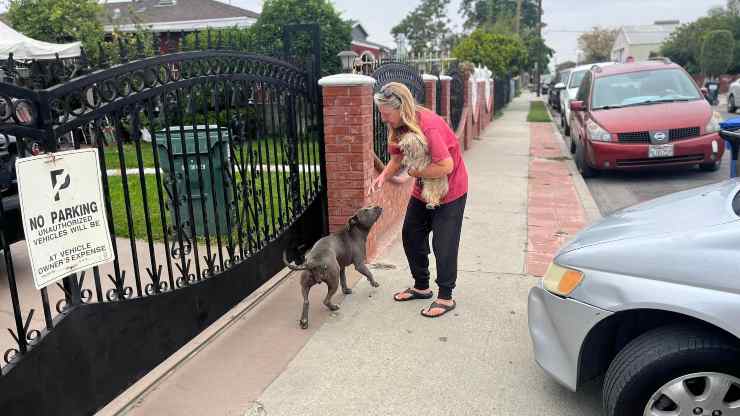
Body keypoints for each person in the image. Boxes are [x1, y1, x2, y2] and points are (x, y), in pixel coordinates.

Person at [368, 82, 468, 318]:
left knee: (444, 244)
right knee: (411, 235)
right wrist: (382, 177)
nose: (383, 119)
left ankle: (445, 296)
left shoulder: (429, 127)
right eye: (381, 114)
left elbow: (445, 166)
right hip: (422, 192)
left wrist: (413, 173)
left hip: (450, 191)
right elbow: (397, 158)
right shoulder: (400, 127)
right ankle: (421, 286)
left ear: (400, 108)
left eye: (386, 114)